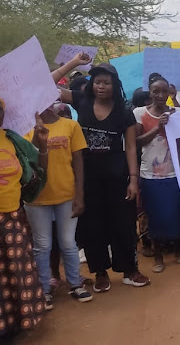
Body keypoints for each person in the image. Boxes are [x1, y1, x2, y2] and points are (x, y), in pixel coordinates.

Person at [55, 59, 151, 292]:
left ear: (114, 85)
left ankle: (129, 270)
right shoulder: (81, 101)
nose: (101, 86)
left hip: (118, 177)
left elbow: (130, 147)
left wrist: (133, 180)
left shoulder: (125, 112)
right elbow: (46, 86)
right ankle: (100, 273)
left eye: (106, 82)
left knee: (123, 224)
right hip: (87, 178)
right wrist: (74, 62)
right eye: (97, 81)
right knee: (92, 227)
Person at [23, 104, 92, 311]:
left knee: (68, 243)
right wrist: (37, 135)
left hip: (66, 195)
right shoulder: (25, 129)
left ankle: (75, 284)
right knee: (42, 245)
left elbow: (78, 162)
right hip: (36, 198)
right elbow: (31, 161)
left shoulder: (71, 125)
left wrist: (79, 195)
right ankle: (44, 289)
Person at [0, 102, 48, 338]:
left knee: (16, 271)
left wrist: (41, 141)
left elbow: (34, 167)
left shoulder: (13, 141)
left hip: (12, 217)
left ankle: (17, 322)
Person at [134, 74, 180, 272]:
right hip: (150, 175)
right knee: (154, 216)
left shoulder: (176, 112)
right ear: (150, 92)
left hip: (174, 174)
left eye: (164, 91)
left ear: (169, 92)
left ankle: (178, 250)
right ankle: (158, 256)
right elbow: (137, 141)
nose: (160, 95)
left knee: (175, 213)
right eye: (156, 91)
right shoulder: (140, 113)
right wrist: (158, 127)